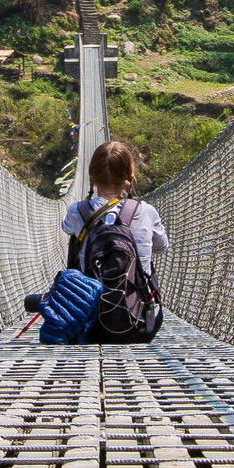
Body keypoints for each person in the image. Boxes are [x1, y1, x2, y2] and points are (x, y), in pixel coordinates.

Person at [61, 140, 167, 341]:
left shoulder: (77, 211)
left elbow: (66, 227)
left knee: (76, 244)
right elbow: (163, 246)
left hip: (90, 324)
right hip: (142, 325)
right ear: (129, 176)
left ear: (92, 176)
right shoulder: (146, 211)